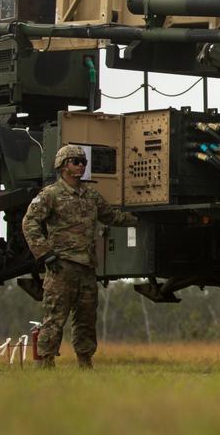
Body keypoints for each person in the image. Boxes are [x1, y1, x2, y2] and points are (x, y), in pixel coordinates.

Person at [22, 144, 140, 369]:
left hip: (87, 267)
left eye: (84, 162)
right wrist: (45, 253)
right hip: (61, 268)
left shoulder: (91, 195)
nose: (81, 166)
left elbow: (112, 216)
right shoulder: (51, 194)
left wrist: (140, 218)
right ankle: (45, 363)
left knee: (86, 319)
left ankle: (85, 362)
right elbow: (30, 222)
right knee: (55, 317)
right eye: (76, 161)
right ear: (63, 165)